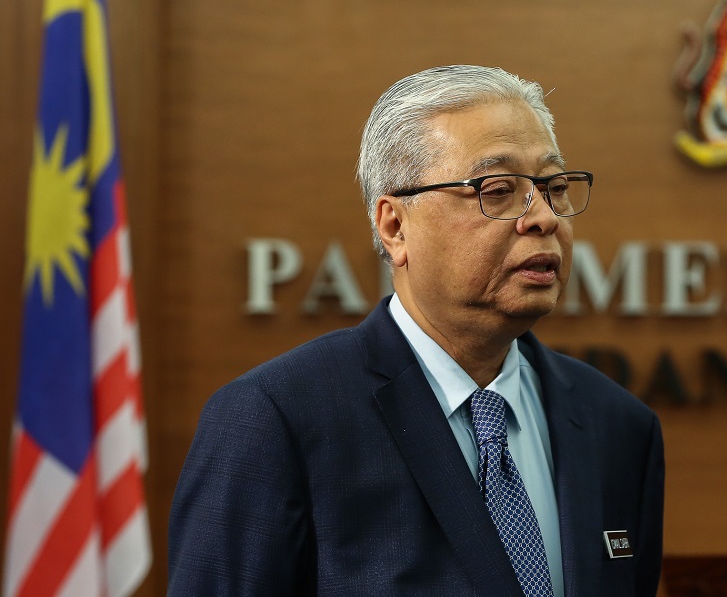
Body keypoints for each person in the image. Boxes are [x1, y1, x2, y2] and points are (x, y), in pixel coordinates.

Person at [168, 65, 665, 596]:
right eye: (496, 189)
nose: (543, 217)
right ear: (394, 226)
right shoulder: (276, 419)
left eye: (554, 187)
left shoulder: (618, 425)